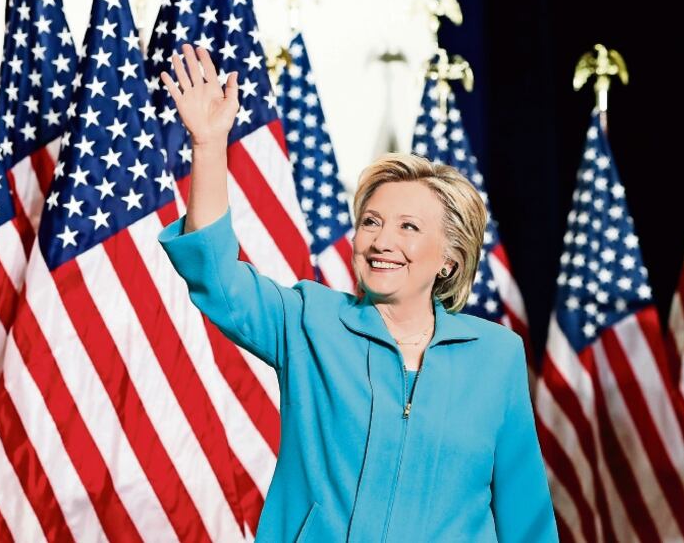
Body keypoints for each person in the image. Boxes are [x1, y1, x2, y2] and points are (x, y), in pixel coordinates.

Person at [157, 44, 557, 542]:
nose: (382, 241)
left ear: (449, 258)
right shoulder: (308, 319)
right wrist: (209, 146)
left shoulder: (496, 355)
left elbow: (526, 518)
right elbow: (216, 276)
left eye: (409, 227)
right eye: (371, 222)